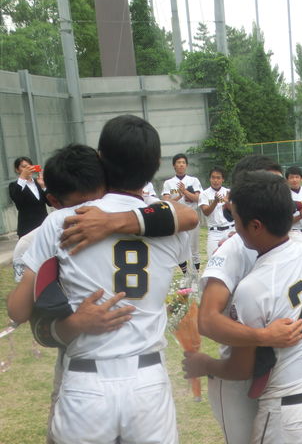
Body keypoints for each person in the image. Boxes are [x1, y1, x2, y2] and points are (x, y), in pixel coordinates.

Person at [12, 115, 189, 444]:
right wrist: (117, 221)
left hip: (86, 381)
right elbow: (186, 215)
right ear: (155, 166)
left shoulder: (64, 220)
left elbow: (18, 310)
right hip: (148, 381)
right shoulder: (169, 221)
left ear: (100, 158)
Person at [184, 170, 302, 444]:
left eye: (236, 219)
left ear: (255, 225)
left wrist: (205, 363)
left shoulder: (252, 288)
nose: (234, 228)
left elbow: (240, 369)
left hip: (294, 418)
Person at [188, 155, 302, 444]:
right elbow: (207, 320)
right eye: (267, 184)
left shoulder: (295, 244)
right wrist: (262, 336)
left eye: (279, 185)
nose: (276, 193)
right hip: (239, 375)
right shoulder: (233, 249)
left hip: (286, 374)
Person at [163, 153, 203, 272]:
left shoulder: (193, 180)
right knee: (179, 248)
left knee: (194, 248)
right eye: (178, 162)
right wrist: (179, 196)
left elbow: (198, 198)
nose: (181, 165)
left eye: (183, 162)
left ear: (186, 165)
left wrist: (185, 191)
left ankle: (195, 276)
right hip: (176, 218)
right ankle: (186, 275)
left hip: (191, 217)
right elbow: (165, 202)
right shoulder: (168, 182)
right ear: (174, 165)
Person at [9, 156, 49, 237]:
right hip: (27, 228)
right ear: (17, 170)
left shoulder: (39, 182)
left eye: (30, 166)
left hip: (44, 226)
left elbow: (50, 203)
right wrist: (22, 178)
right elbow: (17, 200)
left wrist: (43, 186)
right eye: (24, 167)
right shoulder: (14, 185)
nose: (28, 169)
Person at [199, 166, 234, 257]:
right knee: (213, 258)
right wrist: (215, 201)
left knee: (233, 257)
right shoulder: (204, 194)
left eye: (218, 178)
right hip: (214, 232)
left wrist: (227, 203)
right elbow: (206, 212)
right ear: (210, 179)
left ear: (223, 179)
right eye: (213, 177)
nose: (215, 180)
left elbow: (236, 212)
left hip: (230, 229)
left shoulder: (229, 192)